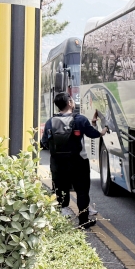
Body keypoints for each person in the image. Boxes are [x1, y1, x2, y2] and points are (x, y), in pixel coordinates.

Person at [43, 93, 107, 228]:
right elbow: (94, 134)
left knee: (60, 189)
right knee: (82, 190)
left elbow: (44, 142)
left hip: (58, 163)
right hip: (78, 162)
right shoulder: (80, 120)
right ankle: (83, 220)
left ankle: (62, 219)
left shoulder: (50, 122)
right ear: (70, 103)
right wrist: (102, 127)